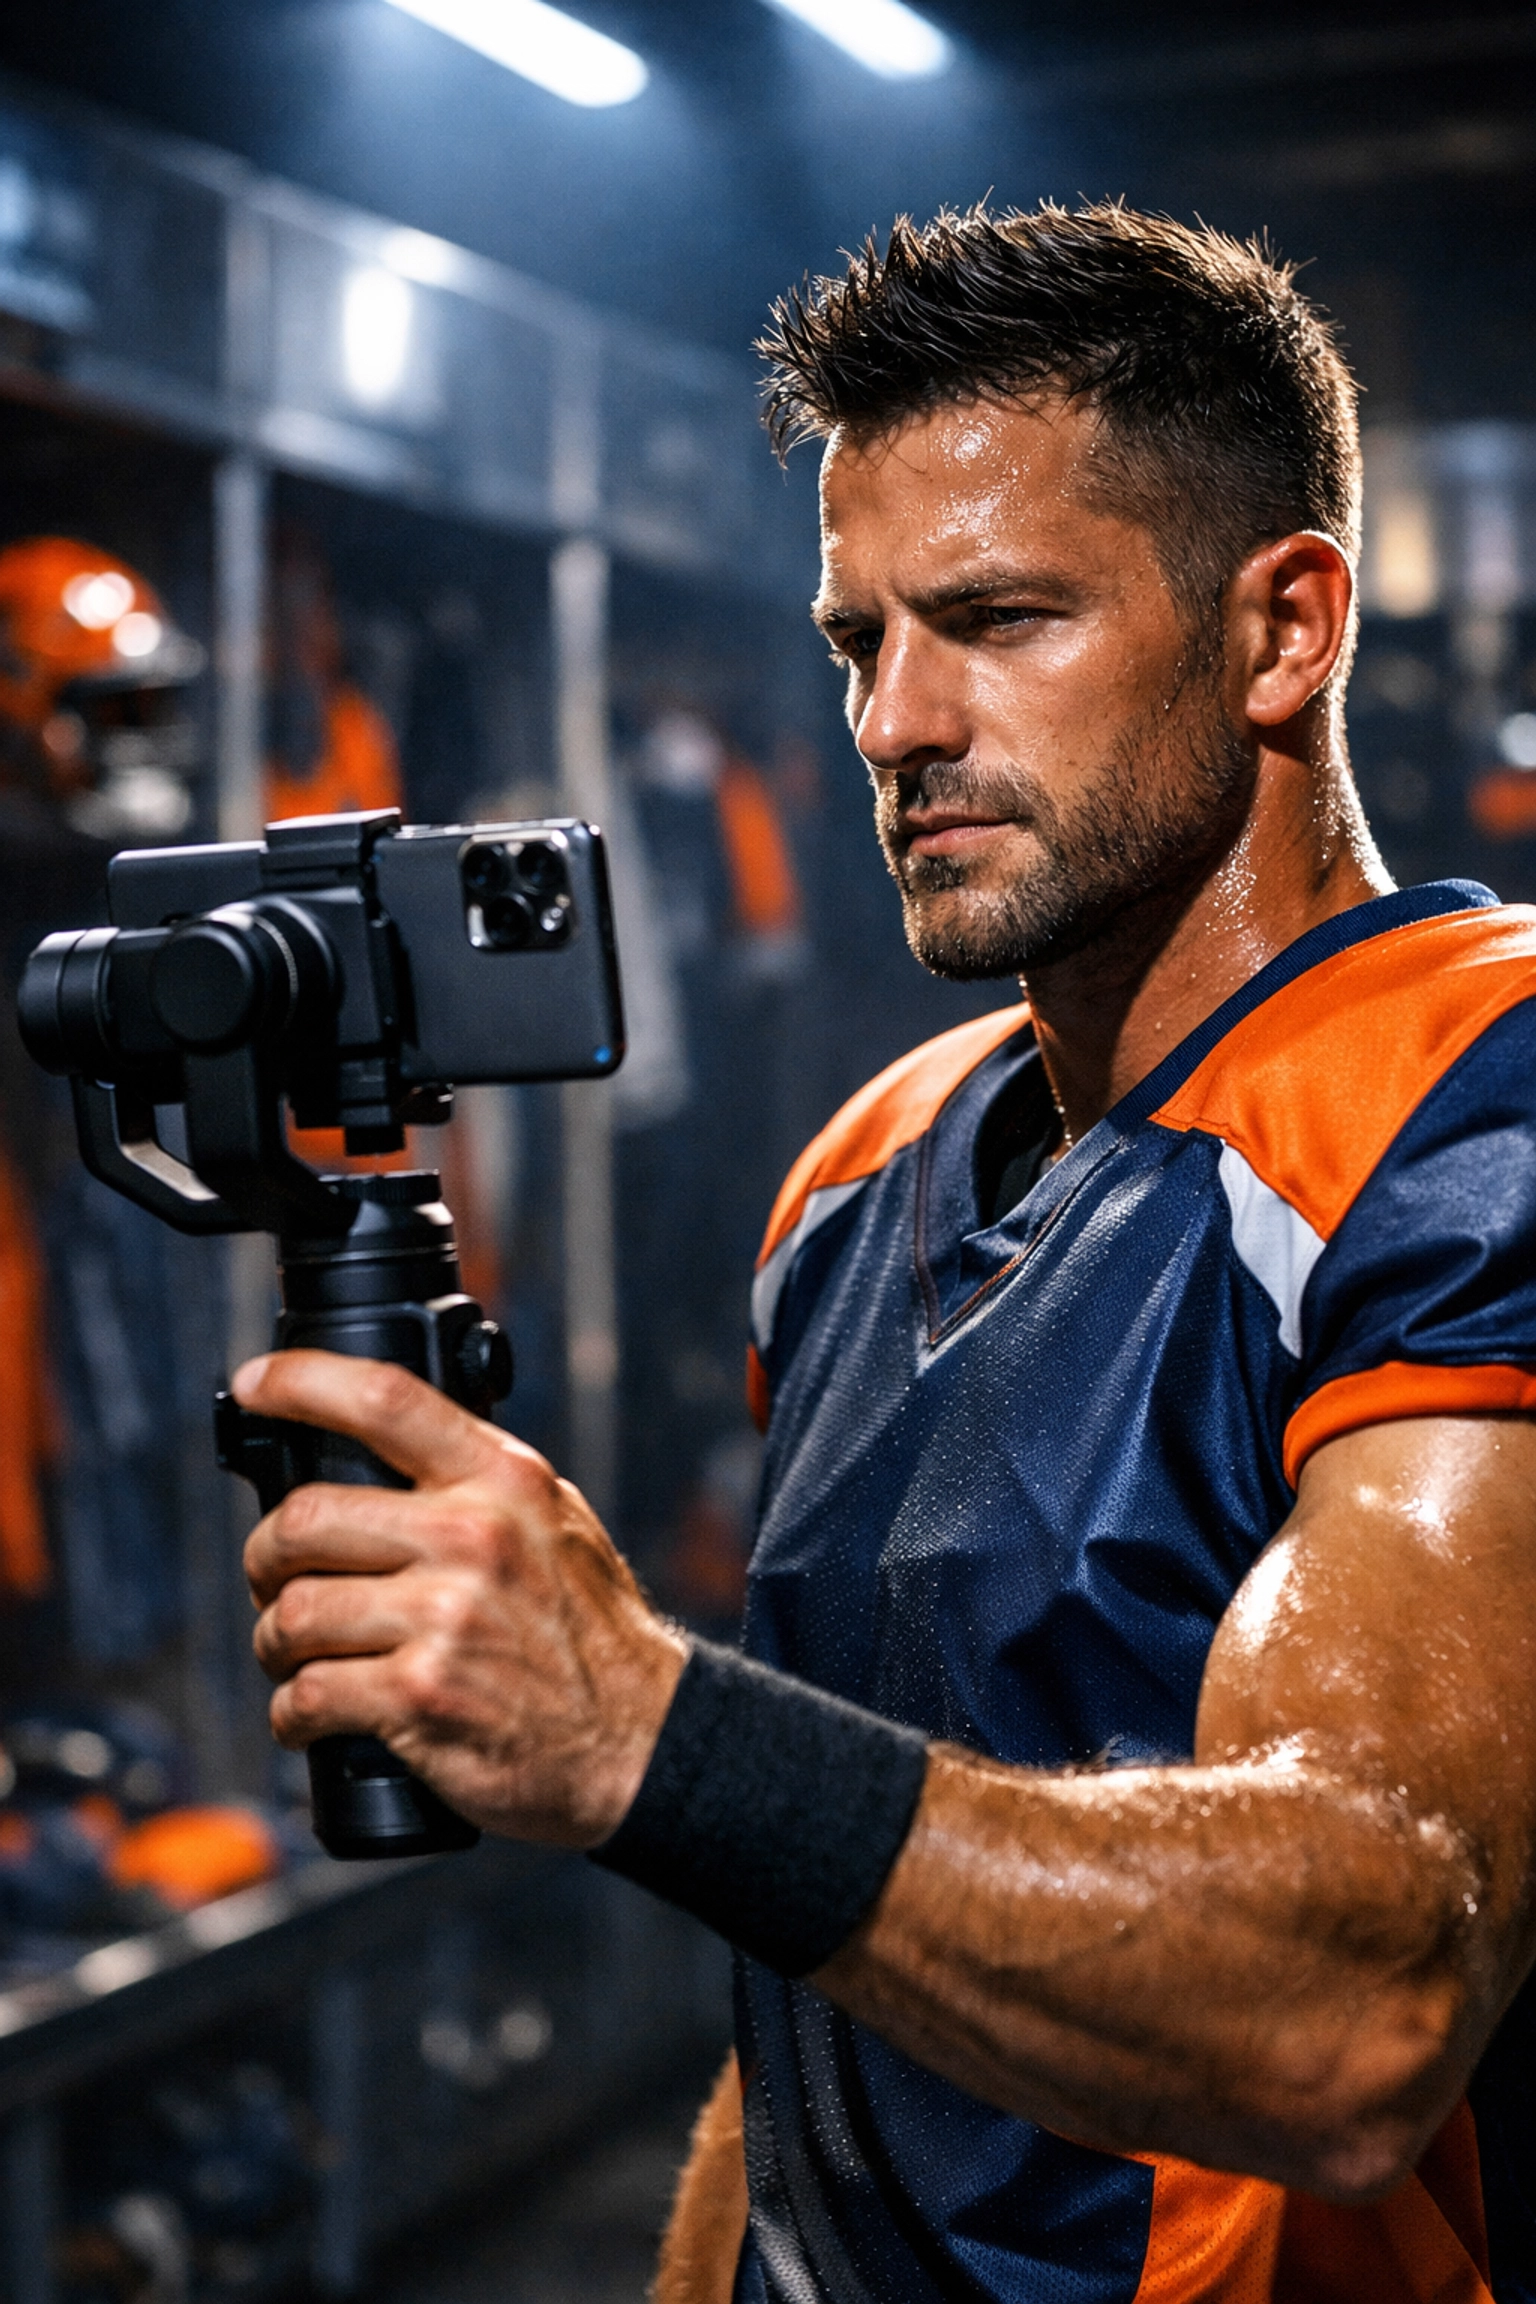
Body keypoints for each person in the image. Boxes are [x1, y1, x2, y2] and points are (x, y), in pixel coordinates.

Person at [238, 204, 1536, 2303]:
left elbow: (1366, 1990)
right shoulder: (865, 1175)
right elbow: (838, 1978)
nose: (893, 724)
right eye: (859, 641)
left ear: (1283, 629)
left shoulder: (1475, 1104)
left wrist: (650, 1730)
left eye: (999, 619)